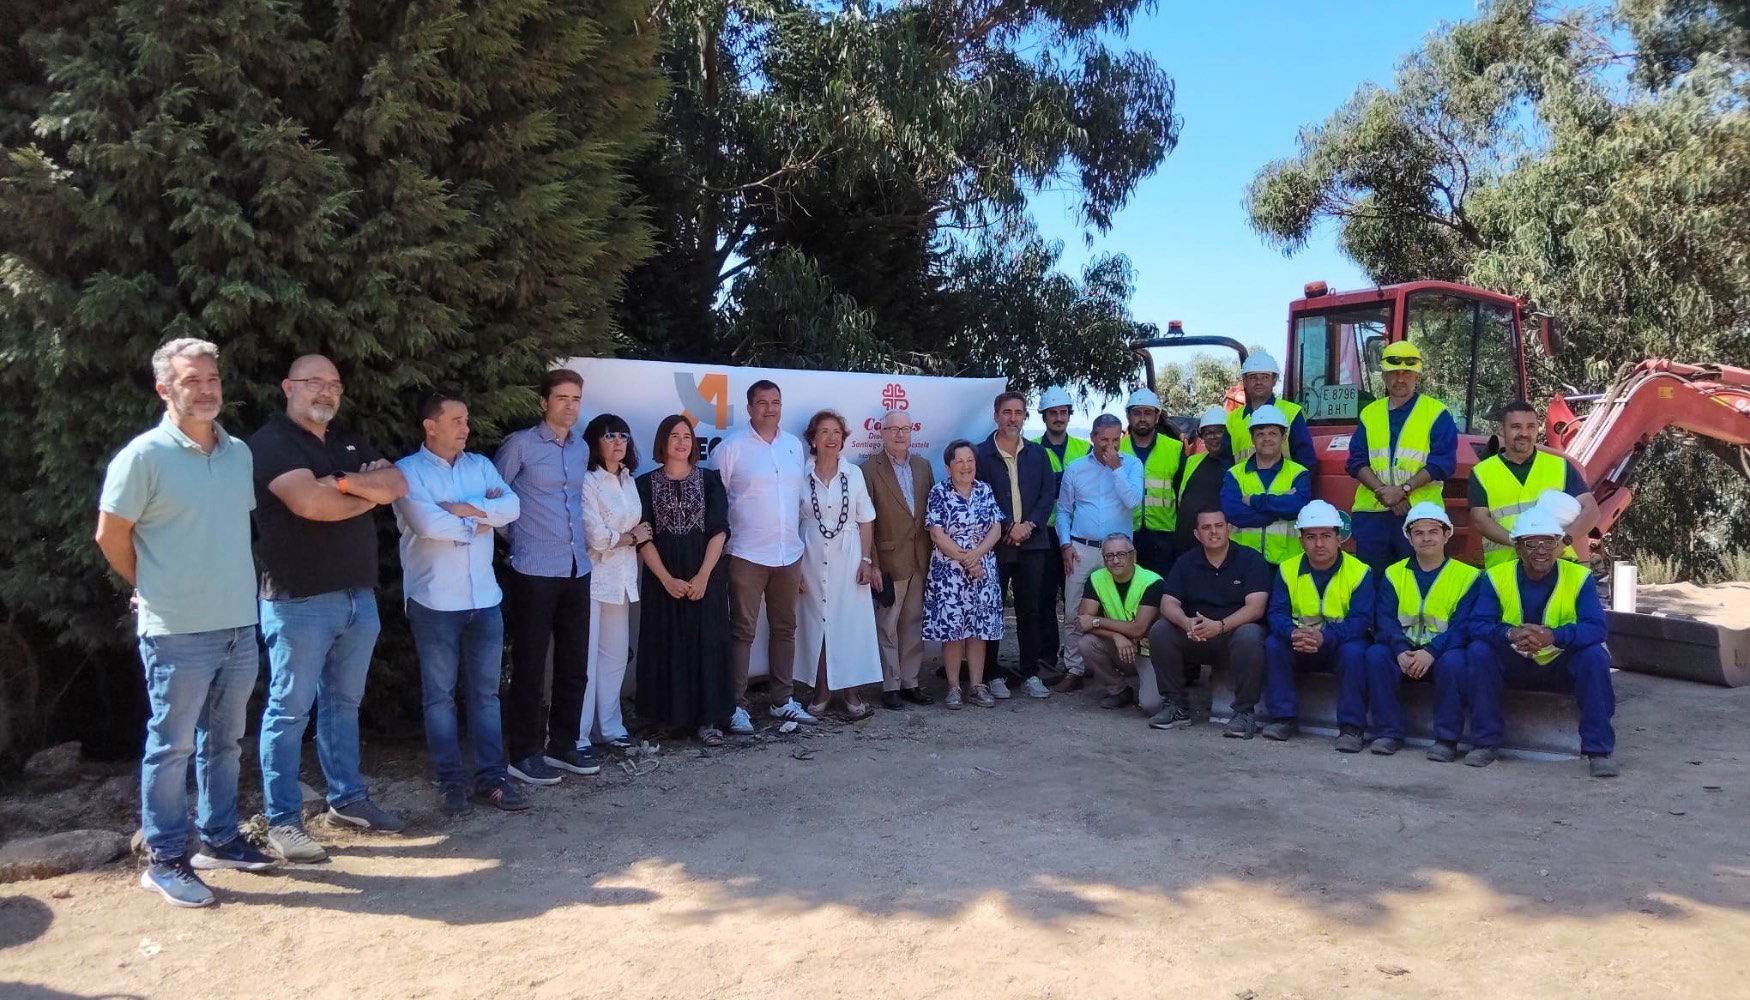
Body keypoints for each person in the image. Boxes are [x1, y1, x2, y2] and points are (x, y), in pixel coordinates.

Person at [96, 338, 278, 907]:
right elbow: (110, 535)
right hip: (176, 629)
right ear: (164, 389)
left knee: (224, 741)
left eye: (212, 378)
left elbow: (220, 529)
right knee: (171, 747)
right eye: (192, 380)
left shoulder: (238, 453)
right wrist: (147, 588)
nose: (205, 389)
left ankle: (220, 838)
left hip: (237, 625)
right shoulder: (143, 456)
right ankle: (167, 857)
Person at [251, 354, 408, 863]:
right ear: (287, 386)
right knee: (288, 711)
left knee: (343, 705)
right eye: (314, 383)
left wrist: (341, 483)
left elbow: (396, 485)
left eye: (334, 384)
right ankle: (282, 822)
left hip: (355, 596)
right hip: (298, 600)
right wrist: (364, 491)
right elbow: (307, 505)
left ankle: (348, 801)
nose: (325, 392)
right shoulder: (270, 443)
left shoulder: (348, 441)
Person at [392, 393, 527, 814]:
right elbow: (427, 523)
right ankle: (451, 784)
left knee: (486, 695)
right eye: (455, 420)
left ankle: (492, 780)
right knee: (440, 697)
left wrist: (466, 510)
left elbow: (513, 506)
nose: (464, 428)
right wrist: (482, 520)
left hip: (484, 599)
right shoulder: (407, 472)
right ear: (429, 426)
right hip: (434, 601)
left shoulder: (481, 466)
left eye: (466, 419)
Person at [494, 369, 599, 783]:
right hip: (534, 569)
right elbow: (494, 502)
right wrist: (519, 539)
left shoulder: (580, 449)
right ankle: (523, 753)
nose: (570, 406)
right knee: (530, 664)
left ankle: (564, 745)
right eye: (561, 398)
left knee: (574, 663)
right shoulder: (519, 445)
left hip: (578, 567)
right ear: (543, 402)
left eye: (576, 398)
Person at [1465, 507, 1618, 777]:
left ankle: (1598, 751)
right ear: (1517, 547)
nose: (1541, 550)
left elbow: (1596, 627)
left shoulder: (1579, 577)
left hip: (1560, 664)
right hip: (1515, 663)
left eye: (1549, 541)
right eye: (1531, 543)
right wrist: (1509, 634)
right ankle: (1485, 743)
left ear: (1559, 545)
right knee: (1479, 651)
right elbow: (1478, 624)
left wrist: (1554, 636)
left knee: (1595, 656)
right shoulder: (1496, 577)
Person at [714, 379, 817, 728]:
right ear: (749, 408)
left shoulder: (792, 446)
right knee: (741, 631)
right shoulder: (730, 449)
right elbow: (718, 503)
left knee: (785, 628)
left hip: (788, 554)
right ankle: (735, 705)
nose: (769, 409)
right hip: (745, 554)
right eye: (762, 403)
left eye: (775, 402)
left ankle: (781, 700)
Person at [634, 416, 735, 745]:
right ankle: (668, 719)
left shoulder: (709, 480)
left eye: (687, 436)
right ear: (662, 442)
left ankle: (709, 720)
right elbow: (643, 536)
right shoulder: (644, 484)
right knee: (666, 644)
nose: (681, 442)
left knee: (707, 644)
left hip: (705, 575)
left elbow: (719, 529)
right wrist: (665, 579)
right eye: (674, 436)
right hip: (662, 578)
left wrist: (704, 575)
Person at [1364, 502, 1478, 759]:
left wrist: (1432, 652)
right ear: (1409, 537)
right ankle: (1388, 733)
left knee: (1456, 661)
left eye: (1433, 531)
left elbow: (1464, 625)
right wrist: (1401, 650)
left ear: (1446, 534)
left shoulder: (1468, 576)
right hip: (1403, 649)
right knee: (1376, 656)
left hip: (1442, 652)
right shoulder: (1394, 574)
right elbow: (1385, 618)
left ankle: (1446, 741)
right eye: (1418, 532)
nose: (1426, 538)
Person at [1148, 507, 1272, 736]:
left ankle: (1244, 713)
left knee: (1251, 634)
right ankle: (1176, 706)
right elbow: (1168, 603)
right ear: (1197, 534)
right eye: (1206, 527)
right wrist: (1186, 623)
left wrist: (1220, 626)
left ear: (1229, 529)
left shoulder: (1251, 560)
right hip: (1196, 634)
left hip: (1233, 635)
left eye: (1218, 526)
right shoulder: (1185, 562)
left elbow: (1256, 608)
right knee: (1161, 630)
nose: (1213, 532)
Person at [1261, 501, 1375, 744]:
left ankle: (1351, 727)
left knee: (1356, 651)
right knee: (1274, 644)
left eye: (1326, 536)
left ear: (1339, 538)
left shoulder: (1360, 572)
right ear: (1301, 540)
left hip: (1339, 644)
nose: (1319, 543)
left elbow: (1361, 620)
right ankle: (1283, 719)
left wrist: (1326, 637)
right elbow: (1277, 613)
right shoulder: (1287, 569)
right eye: (1311, 537)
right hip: (1299, 642)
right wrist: (1293, 634)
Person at [795, 410, 883, 719]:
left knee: (848, 624)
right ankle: (821, 690)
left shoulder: (854, 474)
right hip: (809, 556)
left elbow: (866, 520)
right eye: (824, 432)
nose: (831, 438)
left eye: (837, 432)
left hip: (848, 558)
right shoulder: (800, 474)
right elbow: (790, 522)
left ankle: (851, 691)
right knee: (815, 624)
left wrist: (867, 560)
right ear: (813, 439)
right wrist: (793, 570)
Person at [1347, 341, 1458, 573]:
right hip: (1373, 517)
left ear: (1417, 377)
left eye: (1407, 373)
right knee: (1373, 587)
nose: (1400, 379)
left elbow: (1443, 463)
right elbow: (1356, 461)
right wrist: (1385, 492)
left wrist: (1403, 490)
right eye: (1393, 373)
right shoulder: (1369, 413)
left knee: (1417, 584)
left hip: (1420, 516)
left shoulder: (1436, 413)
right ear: (1384, 377)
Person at [974, 391, 1057, 699]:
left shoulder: (1037, 454)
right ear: (996, 416)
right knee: (992, 611)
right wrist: (1008, 525)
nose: (1012, 418)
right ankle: (992, 674)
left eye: (1018, 412)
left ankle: (1031, 672)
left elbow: (1048, 493)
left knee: (1030, 610)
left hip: (1033, 544)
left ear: (1025, 417)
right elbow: (980, 496)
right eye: (1006, 412)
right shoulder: (980, 455)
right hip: (996, 545)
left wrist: (1029, 525)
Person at [1052, 414, 1144, 692]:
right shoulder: (1076, 468)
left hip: (1119, 552)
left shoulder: (1131, 465)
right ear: (1092, 438)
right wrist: (1065, 544)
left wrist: (1116, 468)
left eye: (1116, 440)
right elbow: (1064, 510)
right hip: (1082, 548)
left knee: (1121, 609)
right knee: (1073, 609)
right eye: (1104, 440)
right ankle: (1074, 668)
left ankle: (1122, 666)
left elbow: (1132, 501)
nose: (1110, 446)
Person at [580, 414, 651, 751]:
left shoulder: (628, 480)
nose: (618, 442)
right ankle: (577, 735)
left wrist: (626, 538)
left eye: (623, 435)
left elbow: (636, 531)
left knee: (615, 656)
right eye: (610, 436)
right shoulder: (588, 481)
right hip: (592, 578)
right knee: (585, 659)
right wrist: (629, 537)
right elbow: (594, 535)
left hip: (622, 579)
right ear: (595, 442)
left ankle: (609, 727)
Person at [862, 408, 936, 709]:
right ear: (882, 433)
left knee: (913, 623)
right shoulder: (868, 470)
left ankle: (910, 682)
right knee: (887, 625)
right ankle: (890, 685)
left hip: (921, 558)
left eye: (905, 429)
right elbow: (866, 522)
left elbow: (931, 515)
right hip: (890, 561)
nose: (900, 434)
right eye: (893, 429)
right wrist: (874, 562)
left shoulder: (923, 465)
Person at [924, 439, 1005, 709]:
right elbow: (937, 533)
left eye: (969, 460)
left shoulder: (985, 490)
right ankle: (954, 687)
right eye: (958, 461)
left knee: (978, 630)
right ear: (948, 466)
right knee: (953, 631)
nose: (965, 466)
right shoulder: (939, 492)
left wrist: (977, 555)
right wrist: (967, 560)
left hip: (983, 569)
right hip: (950, 573)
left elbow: (996, 528)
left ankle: (977, 686)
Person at [1469, 400, 1599, 567]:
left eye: (1530, 426)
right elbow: (1480, 520)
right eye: (1516, 426)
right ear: (1502, 430)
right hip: (1505, 569)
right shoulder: (1482, 472)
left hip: (1559, 566)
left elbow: (1591, 510)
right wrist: (1518, 544)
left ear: (1538, 429)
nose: (1524, 433)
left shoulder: (1561, 466)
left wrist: (1564, 541)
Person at [1030, 387, 1089, 678]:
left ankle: (1078, 656)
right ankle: (1047, 658)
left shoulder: (1084, 448)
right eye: (1053, 413)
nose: (1058, 417)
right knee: (1044, 598)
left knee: (1076, 598)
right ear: (1044, 417)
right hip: (1043, 534)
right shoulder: (1032, 449)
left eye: (1063, 412)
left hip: (1076, 533)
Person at [1075, 534, 1166, 713]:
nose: (1115, 560)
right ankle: (1119, 690)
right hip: (1122, 648)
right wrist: (1115, 635)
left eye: (1121, 554)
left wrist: (1098, 621)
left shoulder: (1152, 581)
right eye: (1109, 556)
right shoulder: (1096, 579)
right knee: (1086, 643)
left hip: (1151, 653)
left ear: (1134, 556)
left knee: (1151, 707)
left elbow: (1139, 628)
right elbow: (1082, 622)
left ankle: (1165, 687)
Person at [1221, 404, 1312, 564]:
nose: (1267, 439)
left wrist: (1254, 501)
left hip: (1286, 562)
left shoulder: (1298, 473)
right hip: (1242, 561)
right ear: (1252, 438)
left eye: (1273, 433)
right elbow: (1233, 512)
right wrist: (1278, 508)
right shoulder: (1234, 474)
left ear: (1283, 437)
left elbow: (1298, 506)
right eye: (1260, 434)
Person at [1118, 387, 1185, 577]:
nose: (1142, 418)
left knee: (1161, 592)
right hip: (1125, 533)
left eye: (1148, 413)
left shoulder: (1174, 449)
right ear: (1128, 416)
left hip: (1164, 536)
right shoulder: (1117, 448)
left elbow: (1182, 494)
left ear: (1157, 417)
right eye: (1136, 413)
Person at [1225, 351, 1316, 469]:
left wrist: (1298, 486)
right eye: (1253, 377)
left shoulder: (1292, 413)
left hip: (1283, 487)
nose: (1259, 382)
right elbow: (1225, 463)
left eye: (1265, 377)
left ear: (1274, 380)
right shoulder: (1232, 419)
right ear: (1245, 381)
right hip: (1241, 487)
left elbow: (1305, 461)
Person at [1172, 406, 1232, 556]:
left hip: (1218, 546)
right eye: (1208, 432)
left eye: (1219, 431)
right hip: (1186, 546)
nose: (1213, 437)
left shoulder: (1236, 464)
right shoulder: (1192, 461)